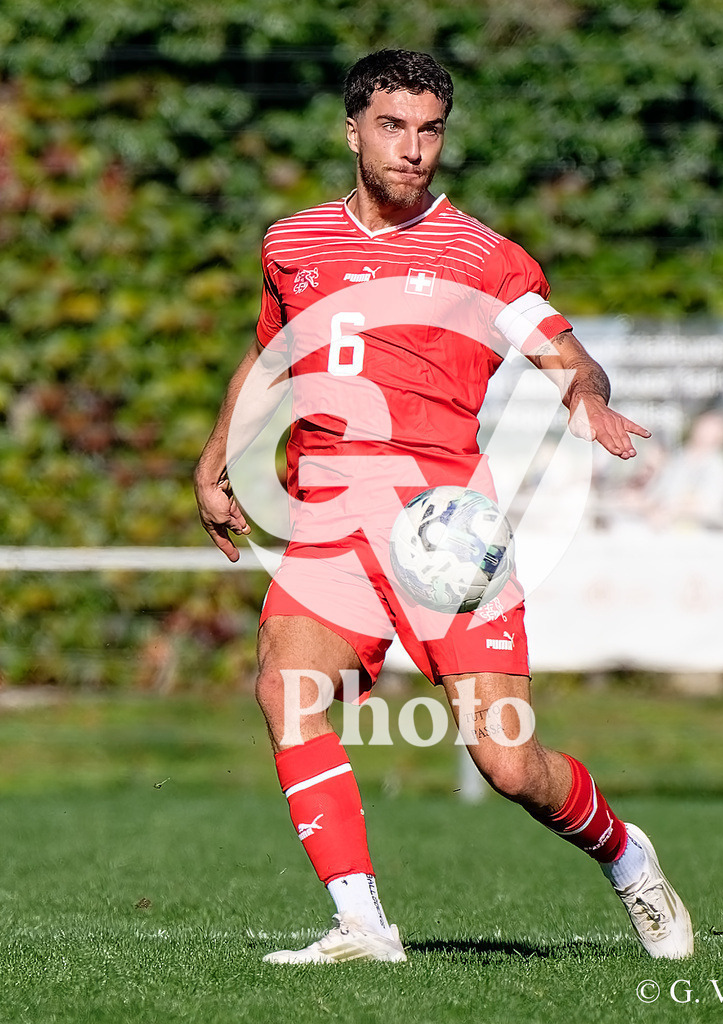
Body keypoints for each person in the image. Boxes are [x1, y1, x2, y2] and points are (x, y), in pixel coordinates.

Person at [194, 49, 693, 964]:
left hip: (444, 538)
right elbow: (272, 358)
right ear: (353, 131)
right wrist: (217, 457)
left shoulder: (477, 256)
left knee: (508, 764)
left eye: (429, 130)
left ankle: (625, 855)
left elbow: (561, 349)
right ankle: (360, 924)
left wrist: (584, 392)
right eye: (392, 126)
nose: (413, 148)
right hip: (330, 527)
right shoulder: (291, 243)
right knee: (285, 687)